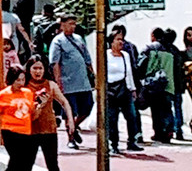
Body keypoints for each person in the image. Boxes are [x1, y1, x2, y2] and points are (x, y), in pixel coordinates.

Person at [0, 67, 38, 170]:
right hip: (10, 131)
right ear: (12, 80)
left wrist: (39, 107)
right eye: (18, 80)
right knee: (16, 159)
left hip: (26, 132)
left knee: (27, 162)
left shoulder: (28, 93)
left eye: (23, 80)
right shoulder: (3, 95)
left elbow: (32, 114)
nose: (21, 83)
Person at [49, 14, 94, 148]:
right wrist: (58, 82)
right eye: (70, 24)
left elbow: (87, 58)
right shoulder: (58, 41)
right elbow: (55, 63)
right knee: (70, 112)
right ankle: (71, 138)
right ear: (62, 25)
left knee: (87, 108)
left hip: (83, 81)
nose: (73, 26)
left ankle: (75, 126)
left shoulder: (79, 39)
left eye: (74, 24)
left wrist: (94, 74)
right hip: (67, 82)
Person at [23, 54, 75, 170]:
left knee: (52, 164)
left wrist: (70, 120)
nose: (37, 72)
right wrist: (40, 105)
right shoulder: (24, 86)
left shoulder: (50, 85)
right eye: (34, 68)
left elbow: (64, 102)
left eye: (40, 68)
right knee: (26, 164)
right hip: (30, 130)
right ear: (29, 69)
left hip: (49, 129)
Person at [105, 31, 142, 154]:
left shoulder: (125, 55)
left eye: (122, 39)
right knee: (112, 118)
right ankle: (113, 144)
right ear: (111, 42)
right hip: (110, 90)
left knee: (132, 116)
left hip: (124, 89)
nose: (121, 42)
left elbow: (129, 72)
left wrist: (133, 89)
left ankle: (132, 141)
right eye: (117, 39)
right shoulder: (106, 55)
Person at [139, 27, 175, 143]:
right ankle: (168, 131)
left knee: (155, 110)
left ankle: (158, 133)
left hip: (153, 84)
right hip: (168, 84)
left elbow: (140, 65)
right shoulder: (171, 50)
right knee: (166, 109)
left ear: (153, 36)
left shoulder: (149, 48)